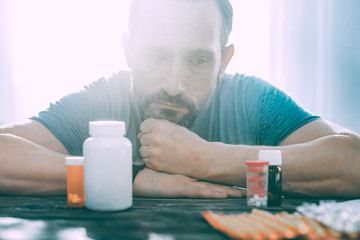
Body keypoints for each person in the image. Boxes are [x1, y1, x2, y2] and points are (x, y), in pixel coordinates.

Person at [1, 0, 359, 198]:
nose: (174, 84)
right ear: (129, 52)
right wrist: (124, 178)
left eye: (198, 60)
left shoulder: (251, 101)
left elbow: (353, 160)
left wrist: (205, 159)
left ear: (224, 61)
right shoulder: (101, 101)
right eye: (157, 56)